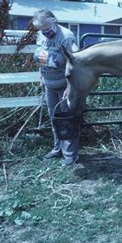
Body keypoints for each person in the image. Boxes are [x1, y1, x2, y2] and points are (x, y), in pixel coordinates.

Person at [32, 9, 80, 166]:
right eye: (41, 29)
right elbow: (42, 57)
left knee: (66, 120)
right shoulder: (40, 36)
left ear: (54, 20)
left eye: (46, 27)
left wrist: (70, 85)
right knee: (54, 118)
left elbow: (76, 62)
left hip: (64, 86)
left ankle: (70, 155)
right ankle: (57, 148)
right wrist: (41, 77)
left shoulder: (66, 37)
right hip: (48, 84)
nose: (44, 32)